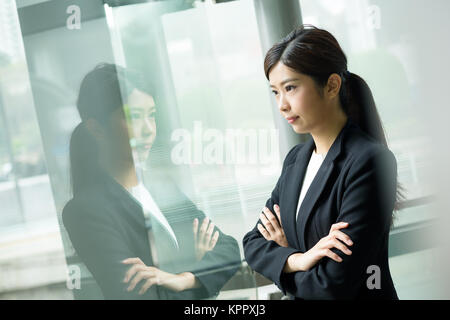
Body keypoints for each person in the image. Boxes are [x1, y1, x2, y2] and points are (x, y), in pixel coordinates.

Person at [243, 25, 404, 300]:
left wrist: (282, 260)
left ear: (331, 85)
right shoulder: (297, 160)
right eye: (275, 92)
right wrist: (298, 259)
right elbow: (252, 243)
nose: (281, 104)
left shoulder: (370, 162)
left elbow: (332, 284)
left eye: (290, 88)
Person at [62, 63, 241, 300]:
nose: (148, 130)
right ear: (96, 129)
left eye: (151, 115)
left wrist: (184, 278)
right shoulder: (86, 211)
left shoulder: (161, 186)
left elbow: (228, 248)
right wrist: (200, 279)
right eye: (134, 117)